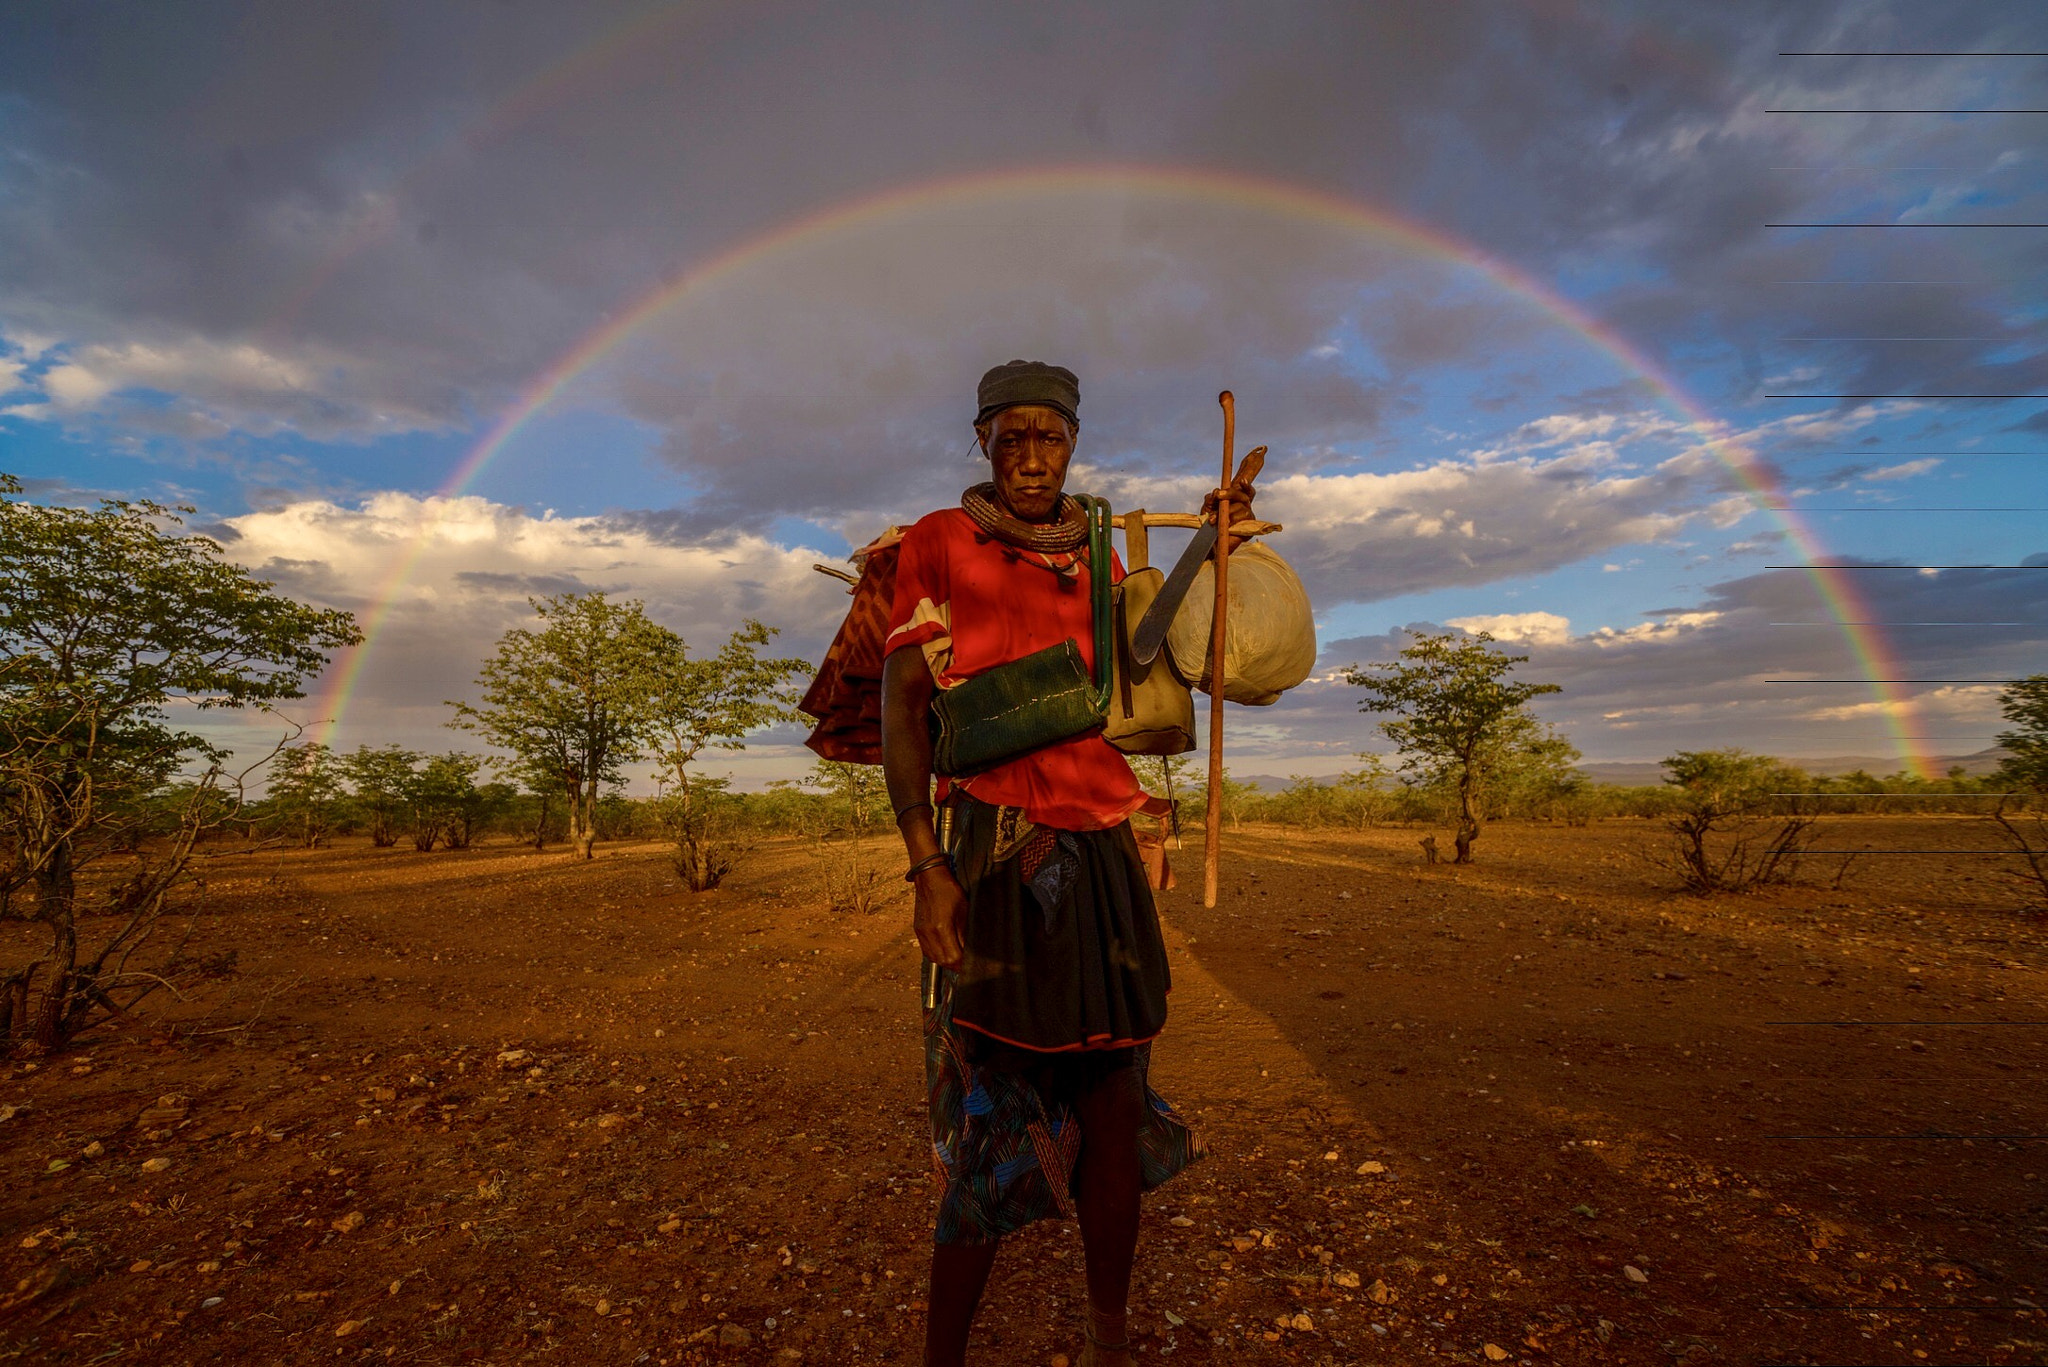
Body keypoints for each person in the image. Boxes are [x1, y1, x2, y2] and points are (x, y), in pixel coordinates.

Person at [881, 359, 1235, 1367]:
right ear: (981, 440)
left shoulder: (1099, 551)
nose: (1030, 455)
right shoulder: (939, 541)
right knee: (988, 1108)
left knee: (1115, 1100)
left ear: (1072, 441)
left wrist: (1210, 538)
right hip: (990, 847)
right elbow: (903, 705)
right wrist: (923, 864)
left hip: (1101, 849)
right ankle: (941, 1355)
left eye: (1049, 436)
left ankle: (1107, 1334)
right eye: (1010, 436)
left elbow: (1149, 655)